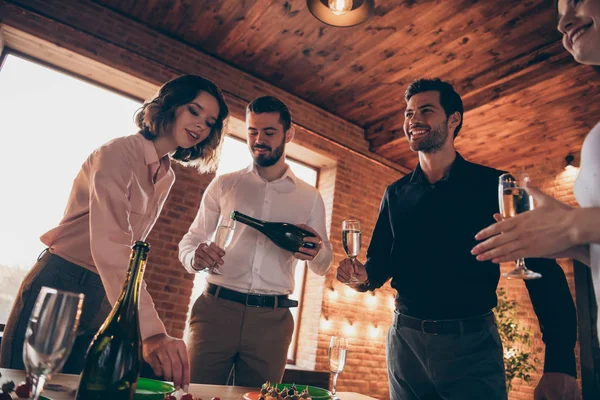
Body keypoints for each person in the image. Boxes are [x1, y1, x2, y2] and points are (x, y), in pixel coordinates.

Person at [336, 78, 579, 400]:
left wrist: (560, 362)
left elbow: (541, 269)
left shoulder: (494, 185)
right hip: (404, 343)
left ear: (454, 119)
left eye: (425, 110)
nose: (413, 121)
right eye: (408, 113)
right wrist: (361, 277)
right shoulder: (395, 193)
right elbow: (380, 262)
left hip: (471, 344)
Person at [0, 75, 229, 391]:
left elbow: (131, 252)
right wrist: (152, 331)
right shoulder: (117, 153)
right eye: (194, 110)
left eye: (210, 121)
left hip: (109, 294)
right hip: (62, 282)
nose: (201, 125)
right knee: (21, 389)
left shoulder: (167, 175)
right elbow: (111, 245)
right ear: (170, 105)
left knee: (79, 392)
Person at [179, 95, 333, 387]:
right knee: (195, 393)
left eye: (269, 132)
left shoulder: (310, 197)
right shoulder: (224, 184)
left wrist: (317, 252)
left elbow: (323, 266)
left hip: (272, 322)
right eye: (252, 131)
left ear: (289, 134)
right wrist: (194, 257)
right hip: (215, 311)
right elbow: (191, 240)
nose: (258, 140)